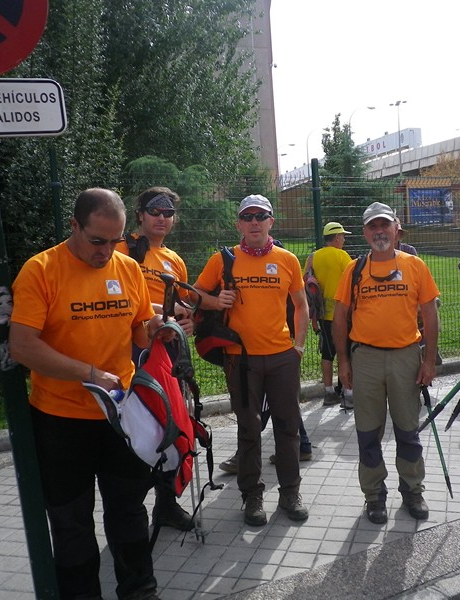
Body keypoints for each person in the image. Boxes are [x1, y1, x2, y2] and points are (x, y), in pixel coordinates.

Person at [9, 188, 163, 600]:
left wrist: (159, 327)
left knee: (129, 510)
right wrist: (89, 373)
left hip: (119, 416)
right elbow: (22, 346)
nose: (106, 251)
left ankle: (140, 591)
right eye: (97, 240)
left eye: (115, 241)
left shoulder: (127, 268)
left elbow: (139, 330)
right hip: (61, 420)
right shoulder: (41, 270)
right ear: (74, 226)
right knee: (71, 523)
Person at [193, 194, 310, 527]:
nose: (254, 222)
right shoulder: (223, 260)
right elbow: (193, 294)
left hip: (282, 357)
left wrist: (298, 347)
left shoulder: (287, 259)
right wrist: (216, 300)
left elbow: (301, 305)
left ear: (271, 221)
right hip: (240, 359)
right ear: (239, 224)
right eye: (248, 217)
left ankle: (290, 492)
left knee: (288, 428)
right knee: (249, 428)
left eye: (261, 216)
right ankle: (252, 496)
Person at [332, 202, 440, 525]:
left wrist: (429, 360)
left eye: (384, 225)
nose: (379, 231)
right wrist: (343, 362)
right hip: (365, 358)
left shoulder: (415, 265)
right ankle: (374, 495)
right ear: (365, 233)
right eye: (372, 226)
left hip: (406, 356)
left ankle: (412, 490)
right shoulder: (354, 270)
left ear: (396, 229)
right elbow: (339, 317)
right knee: (368, 432)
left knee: (408, 429)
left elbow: (430, 315)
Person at [115, 186, 195, 533]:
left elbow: (182, 305)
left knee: (169, 425)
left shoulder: (174, 260)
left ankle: (167, 504)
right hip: (130, 351)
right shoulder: (121, 249)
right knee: (133, 428)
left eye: (168, 213)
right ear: (140, 215)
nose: (162, 218)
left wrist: (187, 321)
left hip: (166, 354)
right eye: (155, 211)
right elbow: (118, 300)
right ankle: (130, 510)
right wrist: (163, 314)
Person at [304, 221, 353, 407]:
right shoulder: (342, 256)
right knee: (345, 354)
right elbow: (353, 280)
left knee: (327, 354)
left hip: (323, 314)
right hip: (343, 315)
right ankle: (348, 393)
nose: (344, 240)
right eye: (343, 236)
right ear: (337, 237)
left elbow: (306, 280)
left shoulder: (314, 256)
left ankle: (329, 392)